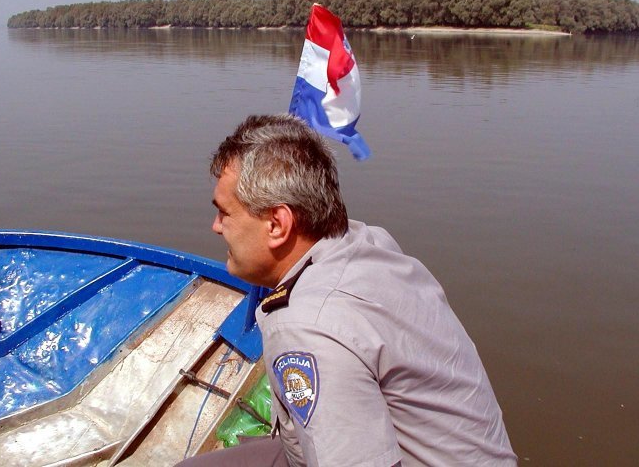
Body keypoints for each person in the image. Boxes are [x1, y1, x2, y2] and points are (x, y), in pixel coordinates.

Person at [177, 114, 516, 466]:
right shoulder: (368, 243)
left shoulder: (307, 323)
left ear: (277, 224)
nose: (216, 227)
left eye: (225, 213)